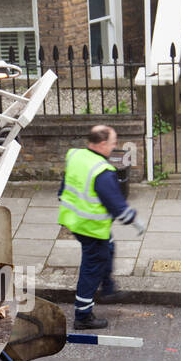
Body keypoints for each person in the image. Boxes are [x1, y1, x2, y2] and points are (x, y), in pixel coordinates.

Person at [58, 124, 143, 330]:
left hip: (75, 220)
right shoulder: (102, 171)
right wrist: (133, 220)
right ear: (103, 143)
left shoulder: (76, 156)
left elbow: (64, 186)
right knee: (91, 269)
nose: (115, 146)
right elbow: (116, 204)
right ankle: (83, 316)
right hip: (91, 228)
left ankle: (108, 288)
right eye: (113, 143)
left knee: (108, 248)